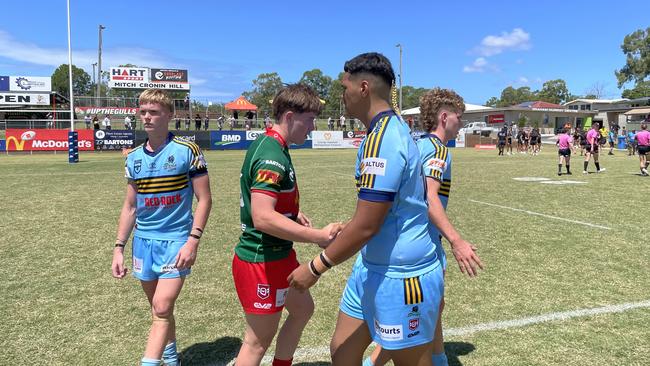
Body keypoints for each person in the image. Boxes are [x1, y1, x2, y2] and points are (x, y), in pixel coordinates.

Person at [288, 52, 444, 366]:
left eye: (344, 88)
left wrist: (315, 267)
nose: (342, 97)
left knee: (411, 362)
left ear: (363, 88)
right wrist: (352, 226)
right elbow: (384, 210)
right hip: (372, 266)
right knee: (342, 352)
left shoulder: (383, 139)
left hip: (402, 276)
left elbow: (369, 225)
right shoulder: (385, 130)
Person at [367, 88, 483, 366]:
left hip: (403, 242)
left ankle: (439, 358)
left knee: (434, 308)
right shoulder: (438, 150)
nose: (461, 122)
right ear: (444, 117)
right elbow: (430, 198)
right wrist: (457, 240)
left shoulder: (419, 145)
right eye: (459, 116)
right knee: (412, 321)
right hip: (423, 246)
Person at [232, 84, 343, 366]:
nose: (312, 128)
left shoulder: (274, 144)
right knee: (256, 342)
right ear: (290, 117)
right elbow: (263, 216)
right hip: (261, 259)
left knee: (303, 309)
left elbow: (271, 203)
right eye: (309, 121)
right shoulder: (272, 154)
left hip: (279, 255)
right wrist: (317, 235)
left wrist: (292, 212)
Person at [111, 89, 212, 366]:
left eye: (154, 112)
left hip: (176, 241)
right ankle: (171, 357)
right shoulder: (133, 158)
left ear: (169, 115)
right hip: (143, 243)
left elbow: (205, 200)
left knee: (162, 307)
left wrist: (193, 241)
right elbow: (130, 207)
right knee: (159, 309)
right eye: (143, 111)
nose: (147, 117)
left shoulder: (187, 151)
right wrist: (119, 248)